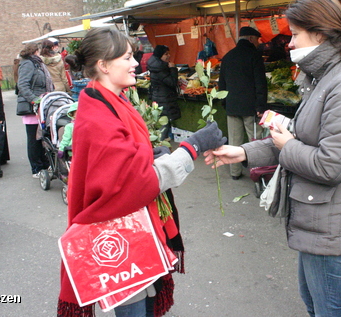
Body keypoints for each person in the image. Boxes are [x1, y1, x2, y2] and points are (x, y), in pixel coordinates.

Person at [205, 0, 341, 317]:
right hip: (319, 221)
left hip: (333, 226)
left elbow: (329, 165)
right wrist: (243, 152)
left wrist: (287, 145)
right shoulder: (323, 79)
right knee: (315, 306)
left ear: (319, 34)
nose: (289, 43)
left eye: (295, 34)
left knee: (328, 311)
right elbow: (295, 139)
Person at [57, 27, 226, 317]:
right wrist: (191, 147)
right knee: (135, 309)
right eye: (128, 57)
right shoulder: (99, 115)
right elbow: (135, 185)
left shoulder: (108, 100)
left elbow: (125, 164)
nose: (137, 63)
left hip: (132, 230)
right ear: (104, 65)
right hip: (121, 237)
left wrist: (149, 155)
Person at [217, 26, 268, 180]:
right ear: (251, 38)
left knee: (234, 141)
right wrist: (261, 106)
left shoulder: (227, 56)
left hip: (232, 106)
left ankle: (235, 172)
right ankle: (257, 172)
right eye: (258, 39)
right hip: (250, 107)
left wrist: (225, 103)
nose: (259, 43)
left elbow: (222, 84)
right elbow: (260, 83)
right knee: (255, 142)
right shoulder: (254, 55)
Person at [17, 42, 54, 178]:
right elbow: (22, 84)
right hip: (33, 107)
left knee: (42, 137)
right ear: (35, 51)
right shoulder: (28, 63)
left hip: (42, 105)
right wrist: (34, 99)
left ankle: (45, 164)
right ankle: (36, 168)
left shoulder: (37, 63)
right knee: (34, 138)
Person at [147, 45, 181, 140]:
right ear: (159, 55)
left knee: (164, 124)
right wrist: (173, 69)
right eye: (166, 54)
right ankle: (160, 147)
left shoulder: (156, 66)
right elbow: (172, 82)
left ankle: (163, 146)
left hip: (159, 98)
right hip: (164, 100)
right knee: (164, 125)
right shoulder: (160, 68)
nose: (169, 55)